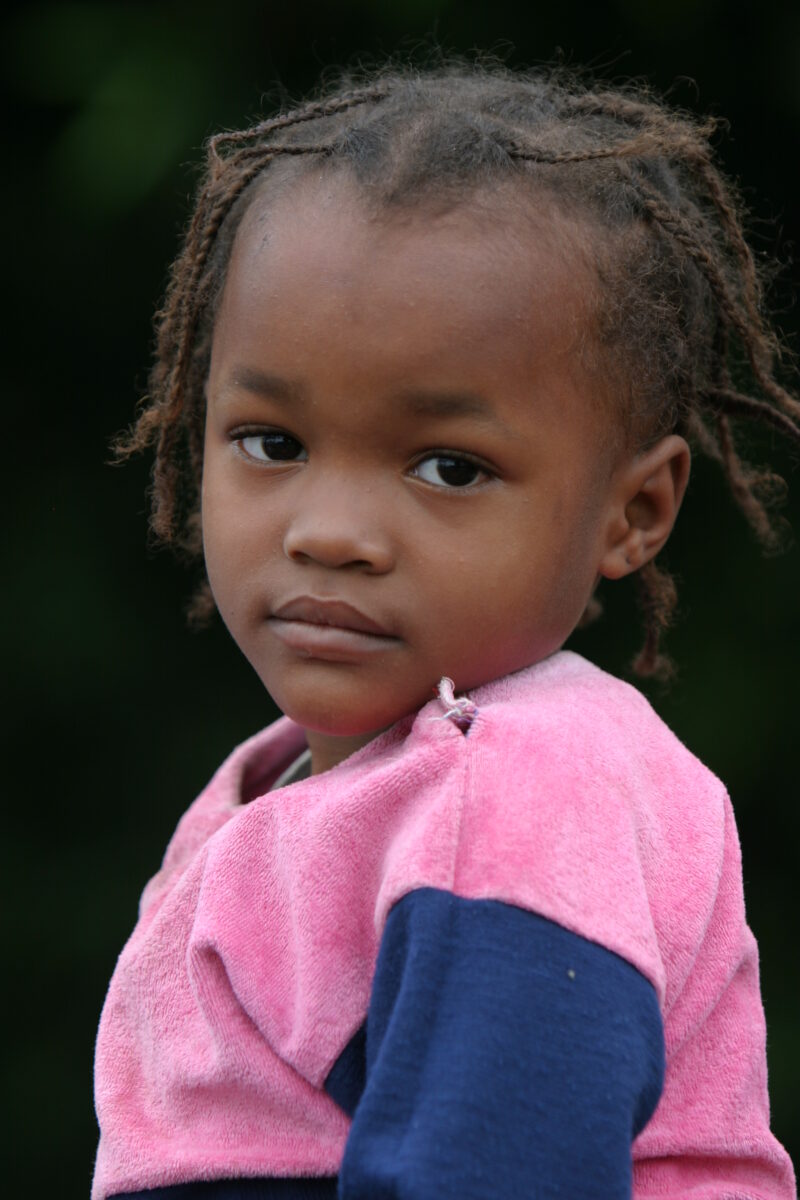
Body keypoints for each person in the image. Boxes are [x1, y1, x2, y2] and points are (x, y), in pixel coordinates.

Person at [93, 62, 799, 1199]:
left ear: (633, 512)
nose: (330, 533)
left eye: (448, 468)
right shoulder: (311, 785)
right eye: (272, 443)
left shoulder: (515, 798)